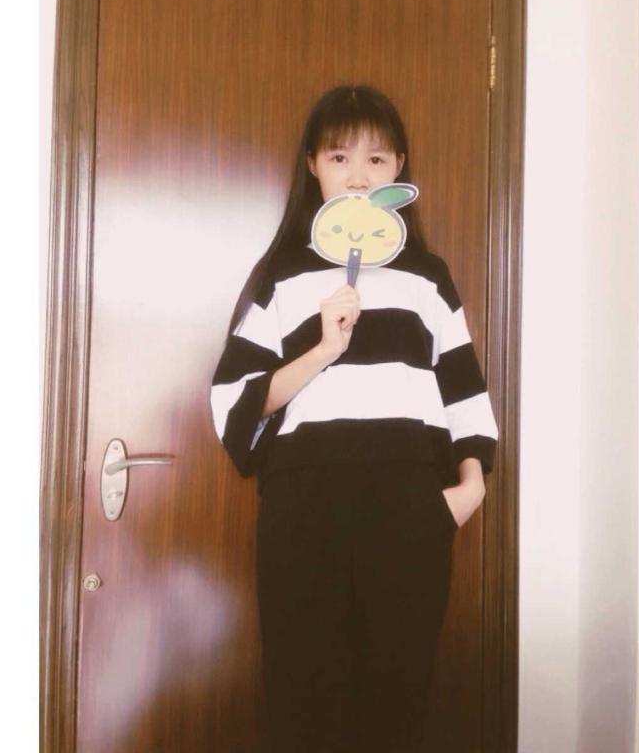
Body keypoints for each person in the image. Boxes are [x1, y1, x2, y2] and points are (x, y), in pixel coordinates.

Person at [210, 85, 499, 753]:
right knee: (305, 707)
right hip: (303, 517)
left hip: (409, 516)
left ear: (399, 169)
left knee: (396, 708)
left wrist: (467, 489)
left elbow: (464, 392)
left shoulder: (428, 277)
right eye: (340, 157)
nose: (359, 176)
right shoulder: (282, 277)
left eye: (377, 158)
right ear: (313, 164)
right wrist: (322, 350)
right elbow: (233, 397)